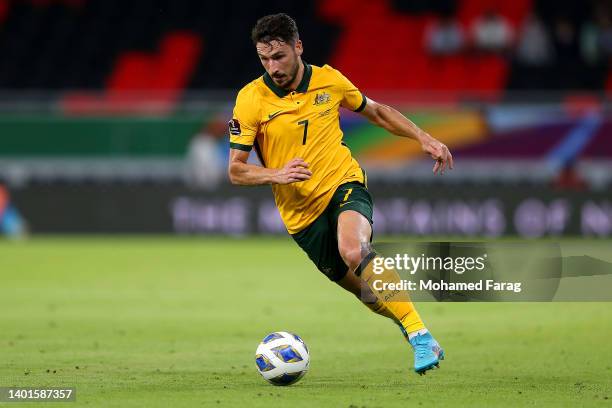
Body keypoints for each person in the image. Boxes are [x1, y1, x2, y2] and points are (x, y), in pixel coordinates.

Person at [228, 13, 453, 375]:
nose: (273, 67)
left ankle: (419, 333)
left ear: (298, 47)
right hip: (301, 217)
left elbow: (377, 112)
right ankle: (408, 323)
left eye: (280, 56)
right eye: (265, 59)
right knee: (367, 293)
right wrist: (277, 174)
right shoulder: (250, 100)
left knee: (354, 249)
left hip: (342, 183)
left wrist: (423, 137)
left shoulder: (329, 80)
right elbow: (236, 170)